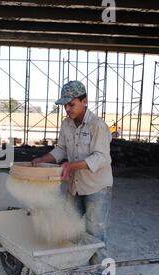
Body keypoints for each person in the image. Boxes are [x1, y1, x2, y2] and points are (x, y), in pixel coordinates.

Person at [31, 81, 113, 265]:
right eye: (65, 105)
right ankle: (72, 266)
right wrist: (43, 159)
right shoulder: (66, 124)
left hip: (97, 187)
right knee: (68, 228)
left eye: (71, 104)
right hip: (75, 187)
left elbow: (101, 157)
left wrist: (71, 166)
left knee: (95, 234)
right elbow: (60, 149)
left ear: (85, 101)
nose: (67, 109)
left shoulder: (97, 125)